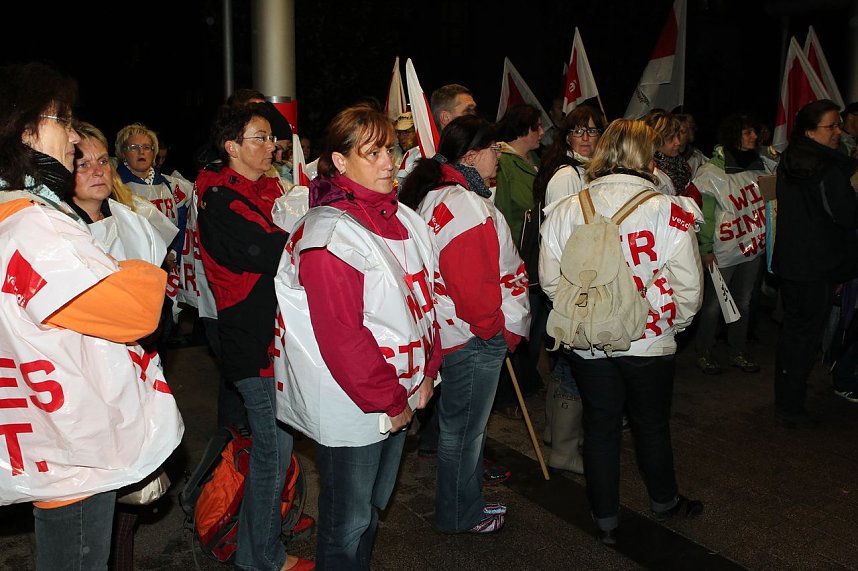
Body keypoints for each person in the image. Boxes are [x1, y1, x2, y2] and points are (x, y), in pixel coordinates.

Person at [0, 61, 183, 571]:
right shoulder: (37, 227)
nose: (74, 138)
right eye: (62, 120)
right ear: (26, 129)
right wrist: (138, 269)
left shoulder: (15, 216)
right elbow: (138, 311)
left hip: (50, 429)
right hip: (74, 444)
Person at [273, 104, 441, 569]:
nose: (390, 161)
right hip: (357, 403)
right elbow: (343, 337)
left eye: (390, 148)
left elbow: (427, 301)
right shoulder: (328, 235)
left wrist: (428, 371)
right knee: (347, 524)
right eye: (373, 153)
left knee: (368, 513)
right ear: (341, 162)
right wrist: (391, 398)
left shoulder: (405, 218)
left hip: (399, 392)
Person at [539, 118, 705, 545]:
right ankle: (665, 501)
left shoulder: (566, 208)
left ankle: (605, 518)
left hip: (590, 338)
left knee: (600, 425)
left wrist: (586, 313)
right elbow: (688, 287)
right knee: (651, 424)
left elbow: (551, 281)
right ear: (645, 157)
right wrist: (674, 326)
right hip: (649, 340)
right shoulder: (668, 210)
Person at [400, 115, 530, 534]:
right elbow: (474, 289)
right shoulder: (464, 205)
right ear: (472, 155)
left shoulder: (439, 196)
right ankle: (461, 514)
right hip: (473, 337)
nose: (500, 158)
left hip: (454, 332)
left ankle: (464, 505)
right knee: (465, 434)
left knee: (460, 429)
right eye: (496, 149)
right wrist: (498, 331)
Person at [196, 102, 312, 571]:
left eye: (271, 139)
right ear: (231, 147)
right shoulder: (222, 199)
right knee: (273, 450)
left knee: (276, 446)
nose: (272, 147)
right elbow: (272, 252)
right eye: (260, 138)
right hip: (251, 338)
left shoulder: (267, 189)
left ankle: (259, 542)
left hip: (272, 336)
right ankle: (261, 557)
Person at [66, 121, 178, 571]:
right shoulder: (56, 231)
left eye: (101, 162)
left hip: (136, 373)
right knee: (89, 510)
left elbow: (157, 310)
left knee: (129, 500)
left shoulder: (130, 219)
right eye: (81, 163)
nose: (95, 171)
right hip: (83, 387)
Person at [771, 99, 858, 428]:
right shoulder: (826, 168)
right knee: (803, 338)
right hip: (817, 265)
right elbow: (846, 215)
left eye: (838, 124)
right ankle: (791, 409)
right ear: (810, 131)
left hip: (794, 262)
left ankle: (788, 400)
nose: (839, 131)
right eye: (831, 126)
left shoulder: (792, 158)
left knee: (795, 335)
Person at [531, 103, 606, 473]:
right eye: (580, 131)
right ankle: (562, 448)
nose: (588, 138)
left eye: (593, 131)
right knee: (568, 365)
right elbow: (561, 234)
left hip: (573, 280)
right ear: (567, 135)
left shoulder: (586, 171)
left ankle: (555, 436)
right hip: (567, 282)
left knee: (563, 360)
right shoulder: (566, 175)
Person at [691, 113, 773, 376]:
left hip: (752, 248)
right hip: (723, 251)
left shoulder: (762, 166)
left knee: (743, 302)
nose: (753, 137)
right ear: (733, 135)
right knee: (715, 305)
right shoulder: (711, 172)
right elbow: (705, 215)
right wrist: (705, 249)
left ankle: (738, 351)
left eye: (755, 132)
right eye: (747, 132)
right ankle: (705, 352)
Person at [643, 110, 689, 196]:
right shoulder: (650, 172)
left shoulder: (681, 164)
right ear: (654, 140)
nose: (678, 142)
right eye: (670, 138)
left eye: (678, 135)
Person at [676, 113, 709, 178]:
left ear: (689, 133)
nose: (677, 135)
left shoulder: (697, 157)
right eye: (674, 131)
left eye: (682, 132)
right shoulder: (663, 155)